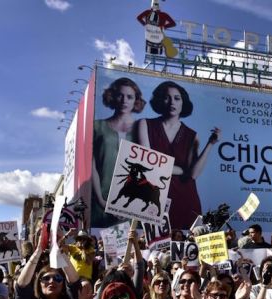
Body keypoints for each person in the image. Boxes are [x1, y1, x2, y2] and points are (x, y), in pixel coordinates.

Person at [138, 81, 220, 229]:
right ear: (159, 100)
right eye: (167, 97)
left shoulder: (192, 135)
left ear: (183, 102)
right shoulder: (144, 124)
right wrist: (181, 170)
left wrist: (210, 144)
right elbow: (146, 164)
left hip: (185, 198)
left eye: (177, 98)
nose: (172, 102)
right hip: (153, 196)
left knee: (188, 246)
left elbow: (193, 174)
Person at [92, 77, 146, 227]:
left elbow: (147, 168)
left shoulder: (143, 129)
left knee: (134, 247)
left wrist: (132, 206)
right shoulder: (97, 126)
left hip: (132, 205)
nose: (124, 100)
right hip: (100, 201)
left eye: (130, 97)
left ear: (136, 100)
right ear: (112, 96)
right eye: (120, 95)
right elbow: (92, 165)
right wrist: (101, 201)